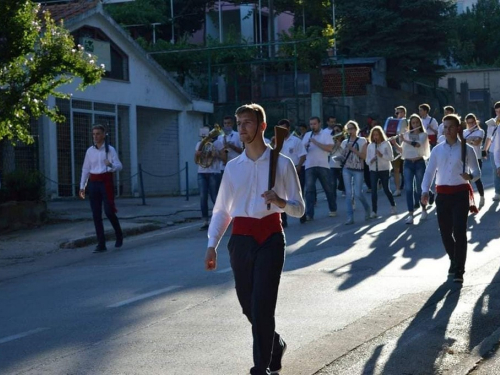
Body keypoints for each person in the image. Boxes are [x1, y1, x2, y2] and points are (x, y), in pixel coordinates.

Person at [204, 103, 305, 375]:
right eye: (239, 124)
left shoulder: (282, 164)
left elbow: (299, 208)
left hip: (271, 237)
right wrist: (211, 244)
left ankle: (260, 367)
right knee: (247, 304)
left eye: (247, 122)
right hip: (241, 240)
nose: (241, 129)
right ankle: (275, 343)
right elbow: (222, 210)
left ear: (262, 126)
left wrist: (281, 201)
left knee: (262, 304)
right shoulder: (233, 167)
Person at [421, 114, 480, 283]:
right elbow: (429, 172)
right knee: (445, 232)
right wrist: (425, 191)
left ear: (458, 129)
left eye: (451, 127)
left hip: (460, 194)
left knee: (459, 231)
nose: (447, 130)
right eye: (445, 127)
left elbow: (477, 172)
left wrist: (470, 176)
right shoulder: (437, 149)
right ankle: (454, 260)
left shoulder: (466, 148)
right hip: (443, 195)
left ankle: (459, 269)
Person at [79, 124, 123, 253]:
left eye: (98, 134)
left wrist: (111, 165)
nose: (95, 136)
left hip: (106, 182)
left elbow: (119, 166)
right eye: (93, 134)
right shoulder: (90, 151)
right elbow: (85, 169)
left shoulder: (110, 150)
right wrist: (82, 186)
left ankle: (119, 234)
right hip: (94, 183)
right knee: (96, 214)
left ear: (104, 135)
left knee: (109, 211)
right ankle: (101, 243)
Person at [392, 114, 430, 225]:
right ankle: (410, 215)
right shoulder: (407, 135)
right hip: (408, 163)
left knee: (419, 189)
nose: (415, 124)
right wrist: (395, 144)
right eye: (413, 123)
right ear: (410, 124)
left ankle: (423, 209)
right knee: (408, 190)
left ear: (420, 123)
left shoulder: (423, 134)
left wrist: (405, 139)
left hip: (419, 162)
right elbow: (402, 151)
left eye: (417, 122)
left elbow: (417, 145)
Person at [301, 116, 337, 220]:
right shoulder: (307, 135)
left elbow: (329, 148)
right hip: (309, 165)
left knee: (328, 189)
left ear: (319, 124)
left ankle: (333, 209)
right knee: (309, 191)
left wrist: (315, 142)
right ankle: (309, 214)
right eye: (311, 124)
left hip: (323, 165)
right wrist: (306, 146)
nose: (313, 126)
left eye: (314, 124)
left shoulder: (326, 134)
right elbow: (302, 151)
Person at [277, 119, 307, 228]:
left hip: (296, 168)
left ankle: (302, 214)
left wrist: (298, 167)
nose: (282, 130)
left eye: (284, 128)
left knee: (298, 192)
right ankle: (283, 220)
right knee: (281, 194)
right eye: (280, 129)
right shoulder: (277, 141)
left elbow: (303, 155)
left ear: (288, 128)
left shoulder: (296, 141)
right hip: (281, 171)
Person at [195, 126, 226, 230]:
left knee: (214, 197)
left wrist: (216, 154)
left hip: (214, 172)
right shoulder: (199, 144)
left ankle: (221, 218)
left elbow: (224, 159)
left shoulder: (217, 143)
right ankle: (205, 221)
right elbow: (196, 161)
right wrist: (198, 154)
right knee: (203, 197)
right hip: (202, 173)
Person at [340, 121, 370, 225]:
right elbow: (343, 156)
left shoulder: (362, 141)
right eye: (348, 129)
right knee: (348, 194)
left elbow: (364, 156)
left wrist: (352, 149)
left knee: (358, 193)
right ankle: (350, 217)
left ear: (356, 129)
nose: (350, 131)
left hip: (358, 169)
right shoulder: (344, 142)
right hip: (347, 169)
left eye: (352, 128)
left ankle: (367, 209)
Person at [366, 126, 396, 218]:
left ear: (380, 135)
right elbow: (367, 160)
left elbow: (391, 157)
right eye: (374, 135)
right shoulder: (370, 146)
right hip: (373, 170)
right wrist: (371, 160)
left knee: (386, 189)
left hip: (384, 169)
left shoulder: (386, 144)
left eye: (377, 135)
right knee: (374, 190)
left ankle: (393, 205)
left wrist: (381, 155)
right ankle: (374, 211)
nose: (375, 137)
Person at [463, 113, 485, 209]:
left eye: (472, 122)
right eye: (469, 123)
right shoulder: (464, 132)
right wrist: (470, 140)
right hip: (466, 158)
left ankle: (482, 196)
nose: (471, 125)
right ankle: (469, 200)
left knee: (476, 179)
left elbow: (477, 143)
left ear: (475, 122)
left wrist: (467, 140)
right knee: (467, 181)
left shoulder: (480, 131)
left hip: (477, 157)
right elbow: (461, 142)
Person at [483, 101, 500, 201]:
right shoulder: (492, 123)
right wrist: (485, 150)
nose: (499, 114)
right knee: (496, 172)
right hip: (494, 151)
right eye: (497, 112)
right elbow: (488, 137)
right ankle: (498, 192)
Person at [330, 124, 346, 198]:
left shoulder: (345, 140)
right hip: (332, 164)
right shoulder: (331, 139)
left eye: (338, 130)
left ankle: (344, 190)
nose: (336, 132)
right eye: (335, 130)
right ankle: (333, 197)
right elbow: (329, 151)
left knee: (342, 179)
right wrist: (335, 143)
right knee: (332, 183)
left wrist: (340, 143)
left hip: (341, 163)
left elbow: (346, 151)